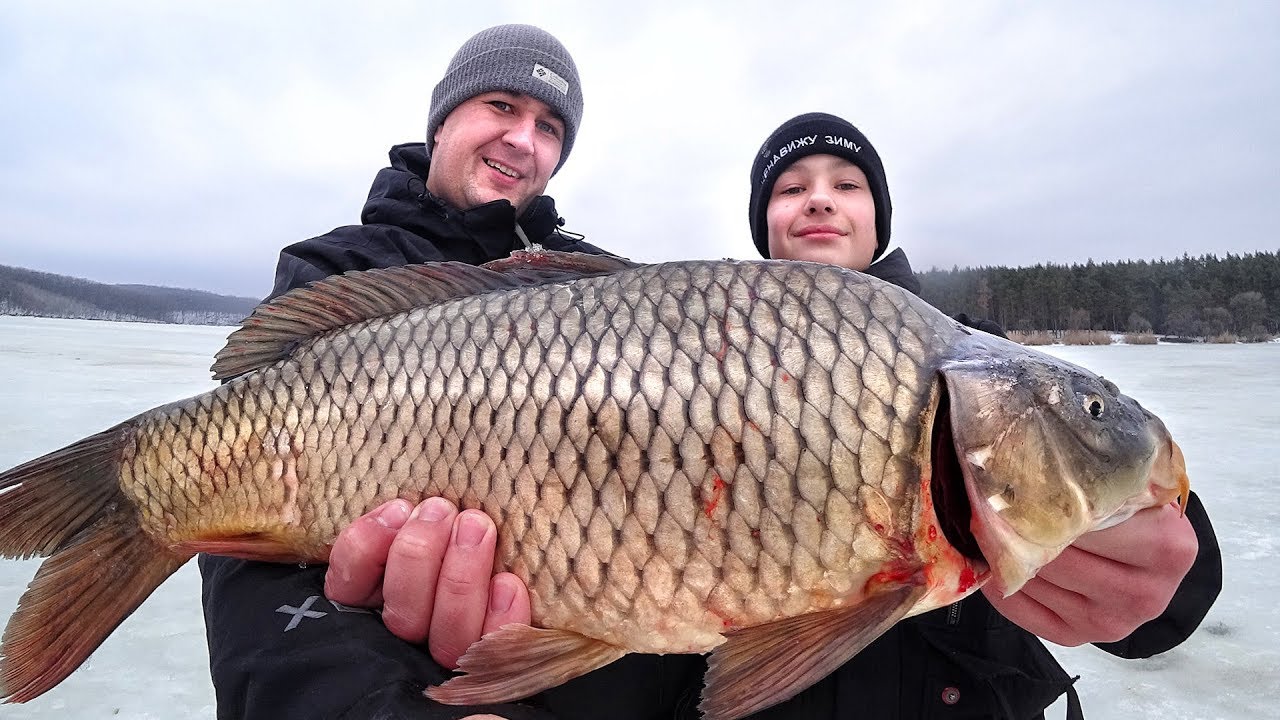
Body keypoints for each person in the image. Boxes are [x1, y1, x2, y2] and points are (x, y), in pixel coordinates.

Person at [310, 109, 1222, 719]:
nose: (818, 196)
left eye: (846, 183)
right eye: (791, 188)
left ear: (877, 218)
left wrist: (1167, 575)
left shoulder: (977, 368)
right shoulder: (692, 348)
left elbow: (1174, 588)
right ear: (765, 231)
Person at [199, 24, 614, 719]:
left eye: (549, 128)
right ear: (443, 118)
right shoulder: (340, 272)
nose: (524, 139)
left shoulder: (591, 288)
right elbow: (250, 574)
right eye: (503, 107)